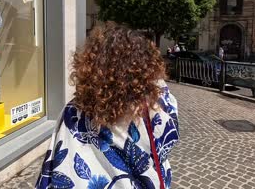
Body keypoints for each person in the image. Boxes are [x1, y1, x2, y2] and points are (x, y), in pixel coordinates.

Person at [36, 23, 179, 189]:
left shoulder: (74, 110)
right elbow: (169, 134)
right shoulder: (153, 108)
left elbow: (56, 162)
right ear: (144, 66)